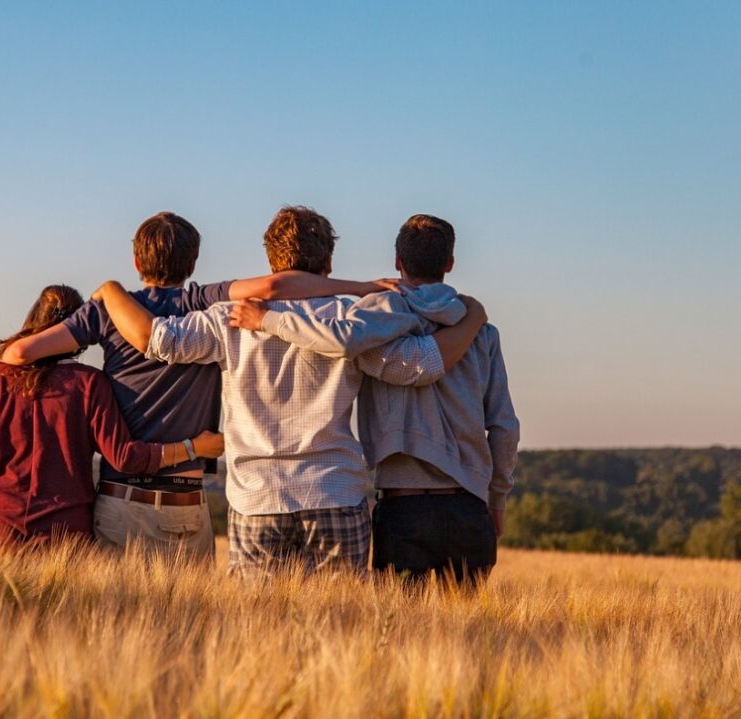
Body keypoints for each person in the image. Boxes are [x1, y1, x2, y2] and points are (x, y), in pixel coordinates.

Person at [92, 207, 487, 576]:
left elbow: (157, 340)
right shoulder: (352, 319)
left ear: (270, 262)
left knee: (259, 633)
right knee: (341, 630)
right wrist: (472, 320)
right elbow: (418, 366)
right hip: (335, 492)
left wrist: (111, 291)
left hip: (257, 498)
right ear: (328, 263)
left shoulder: (227, 319)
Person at [0, 211, 399, 560]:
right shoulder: (203, 301)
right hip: (188, 502)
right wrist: (361, 288)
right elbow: (276, 287)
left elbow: (18, 355)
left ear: (136, 261)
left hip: (123, 499)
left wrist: (103, 300)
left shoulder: (107, 311)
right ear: (193, 263)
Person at [231, 214, 519, 585]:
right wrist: (497, 499)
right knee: (468, 638)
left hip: (403, 508)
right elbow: (504, 427)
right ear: (449, 264)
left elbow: (341, 340)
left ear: (397, 262)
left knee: (397, 635)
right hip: (470, 506)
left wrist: (268, 320)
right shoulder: (481, 332)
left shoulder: (373, 321)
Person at [0, 284, 224, 552]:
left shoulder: (0, 377)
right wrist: (193, 448)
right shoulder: (89, 383)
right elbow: (124, 457)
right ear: (80, 330)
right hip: (64, 538)